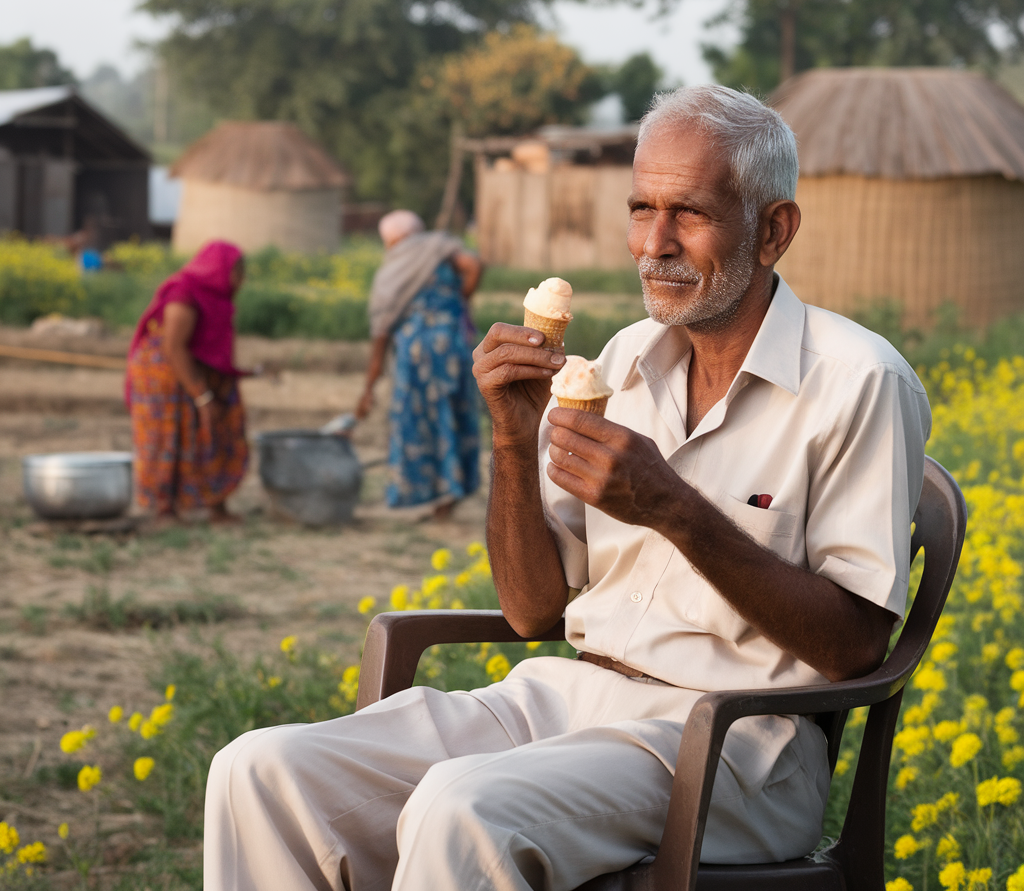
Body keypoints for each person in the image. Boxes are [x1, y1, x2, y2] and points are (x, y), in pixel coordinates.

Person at [203, 87, 931, 891]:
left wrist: (677, 511)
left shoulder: (858, 381)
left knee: (463, 805)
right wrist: (514, 437)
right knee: (259, 768)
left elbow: (858, 645)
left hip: (734, 744)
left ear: (774, 230)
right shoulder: (620, 362)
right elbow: (533, 611)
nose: (654, 243)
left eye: (688, 213)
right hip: (566, 698)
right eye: (641, 209)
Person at [356, 209, 483, 516]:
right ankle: (447, 499)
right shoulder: (439, 247)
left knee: (419, 423)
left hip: (416, 359)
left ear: (391, 239)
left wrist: (368, 388)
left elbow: (381, 334)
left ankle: (437, 497)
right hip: (452, 347)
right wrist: (459, 299)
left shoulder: (392, 269)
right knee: (450, 415)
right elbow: (473, 265)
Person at [126, 240, 249, 523]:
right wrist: (202, 396)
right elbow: (174, 348)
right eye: (237, 272)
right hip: (167, 375)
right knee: (169, 436)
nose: (241, 281)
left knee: (218, 431)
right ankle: (165, 508)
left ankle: (216, 503)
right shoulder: (185, 293)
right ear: (219, 270)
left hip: (199, 372)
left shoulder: (218, 298)